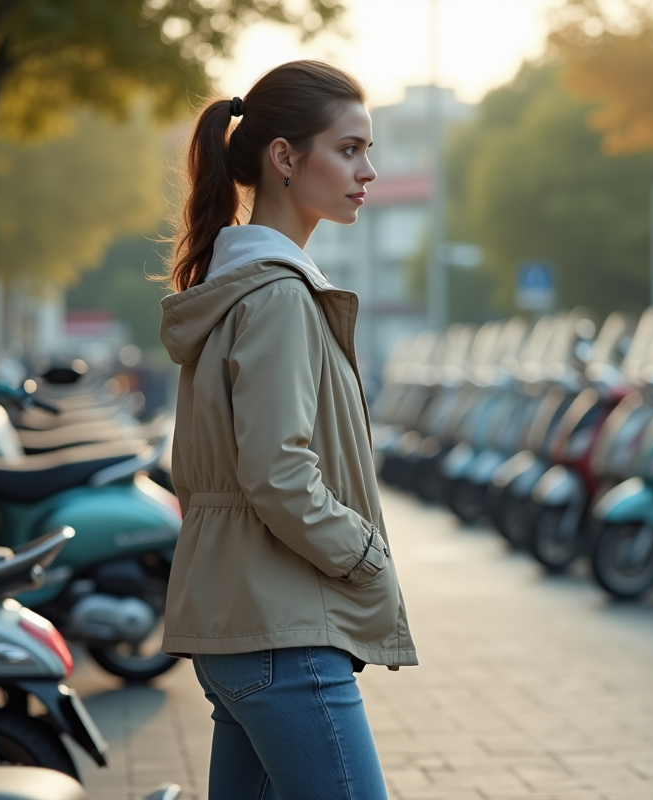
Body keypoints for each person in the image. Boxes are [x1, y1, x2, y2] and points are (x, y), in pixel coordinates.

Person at [158, 60, 418, 800]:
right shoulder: (276, 298)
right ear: (284, 157)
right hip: (285, 634)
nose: (368, 170)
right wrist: (364, 554)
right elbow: (276, 471)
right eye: (349, 149)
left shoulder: (238, 286)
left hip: (246, 624)